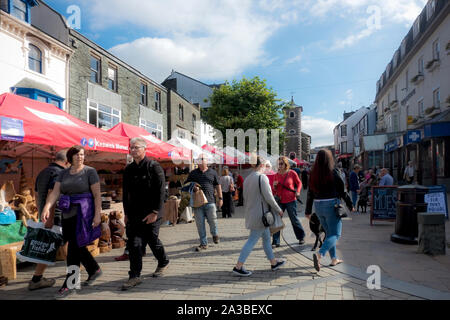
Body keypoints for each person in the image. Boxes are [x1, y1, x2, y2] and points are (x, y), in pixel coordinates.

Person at [42, 146, 102, 298]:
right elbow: (55, 192)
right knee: (77, 245)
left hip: (84, 213)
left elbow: (96, 195)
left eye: (82, 155)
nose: (80, 157)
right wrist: (47, 208)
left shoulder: (90, 171)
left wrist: (97, 215)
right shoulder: (63, 173)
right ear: (70, 157)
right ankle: (94, 269)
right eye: (76, 155)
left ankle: (71, 283)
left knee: (74, 249)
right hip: (67, 213)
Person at [121, 138, 170, 291]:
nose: (133, 150)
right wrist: (126, 213)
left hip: (152, 212)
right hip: (135, 213)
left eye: (136, 147)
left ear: (144, 149)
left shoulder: (153, 166)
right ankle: (134, 276)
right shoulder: (128, 169)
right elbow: (125, 194)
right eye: (131, 148)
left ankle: (163, 262)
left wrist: (155, 212)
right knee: (134, 244)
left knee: (152, 240)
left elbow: (161, 191)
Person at [232, 156, 286, 276]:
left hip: (252, 213)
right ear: (261, 165)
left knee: (266, 239)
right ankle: (238, 266)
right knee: (252, 240)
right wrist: (278, 209)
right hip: (261, 216)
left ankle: (273, 262)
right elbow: (269, 197)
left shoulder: (247, 179)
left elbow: (245, 197)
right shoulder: (262, 177)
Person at [305, 149, 354, 272]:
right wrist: (350, 205)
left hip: (318, 206)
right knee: (335, 234)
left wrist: (307, 210)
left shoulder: (313, 173)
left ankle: (334, 259)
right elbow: (343, 191)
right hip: (331, 205)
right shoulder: (333, 172)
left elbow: (310, 193)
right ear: (329, 159)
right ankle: (319, 254)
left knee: (329, 233)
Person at [28, 150, 69, 291]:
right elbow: (52, 195)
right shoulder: (59, 173)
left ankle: (75, 269)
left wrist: (42, 212)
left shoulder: (43, 172)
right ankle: (37, 279)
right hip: (55, 216)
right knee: (51, 245)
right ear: (67, 162)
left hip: (45, 215)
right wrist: (50, 217)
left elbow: (37, 194)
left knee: (57, 243)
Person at [185, 154, 222, 251]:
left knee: (213, 221)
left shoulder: (212, 172)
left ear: (206, 161)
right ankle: (203, 243)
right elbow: (186, 185)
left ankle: (214, 234)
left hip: (210, 201)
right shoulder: (193, 173)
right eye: (199, 159)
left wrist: (220, 198)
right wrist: (193, 187)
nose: (200, 161)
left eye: (202, 159)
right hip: (198, 203)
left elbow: (218, 186)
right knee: (200, 224)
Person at [272, 156, 305, 247]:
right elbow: (274, 190)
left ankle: (301, 237)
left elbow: (299, 183)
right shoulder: (276, 175)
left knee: (293, 219)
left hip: (290, 200)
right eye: (278, 164)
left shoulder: (292, 173)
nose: (280, 165)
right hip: (280, 200)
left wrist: (298, 191)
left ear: (286, 164)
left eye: (281, 163)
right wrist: (274, 186)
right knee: (277, 220)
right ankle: (276, 241)